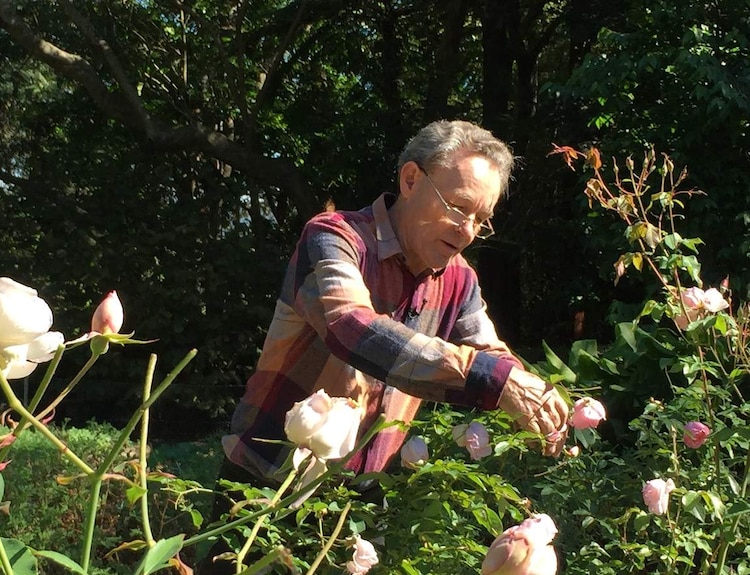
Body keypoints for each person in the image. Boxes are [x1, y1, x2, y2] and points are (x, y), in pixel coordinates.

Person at [199, 119, 569, 574]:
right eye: (458, 208)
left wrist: (534, 390)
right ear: (411, 179)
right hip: (264, 485)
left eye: (481, 220)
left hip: (358, 508)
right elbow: (351, 327)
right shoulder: (334, 238)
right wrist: (492, 379)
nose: (468, 231)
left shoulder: (460, 280)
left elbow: (489, 352)